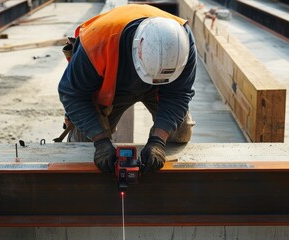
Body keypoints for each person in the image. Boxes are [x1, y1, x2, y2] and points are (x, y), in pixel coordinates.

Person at [58, 4, 197, 174]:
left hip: (158, 90)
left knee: (179, 132)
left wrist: (158, 141)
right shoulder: (97, 43)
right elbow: (73, 95)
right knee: (84, 145)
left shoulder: (183, 40)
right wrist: (100, 141)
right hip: (113, 89)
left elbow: (178, 94)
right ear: (137, 49)